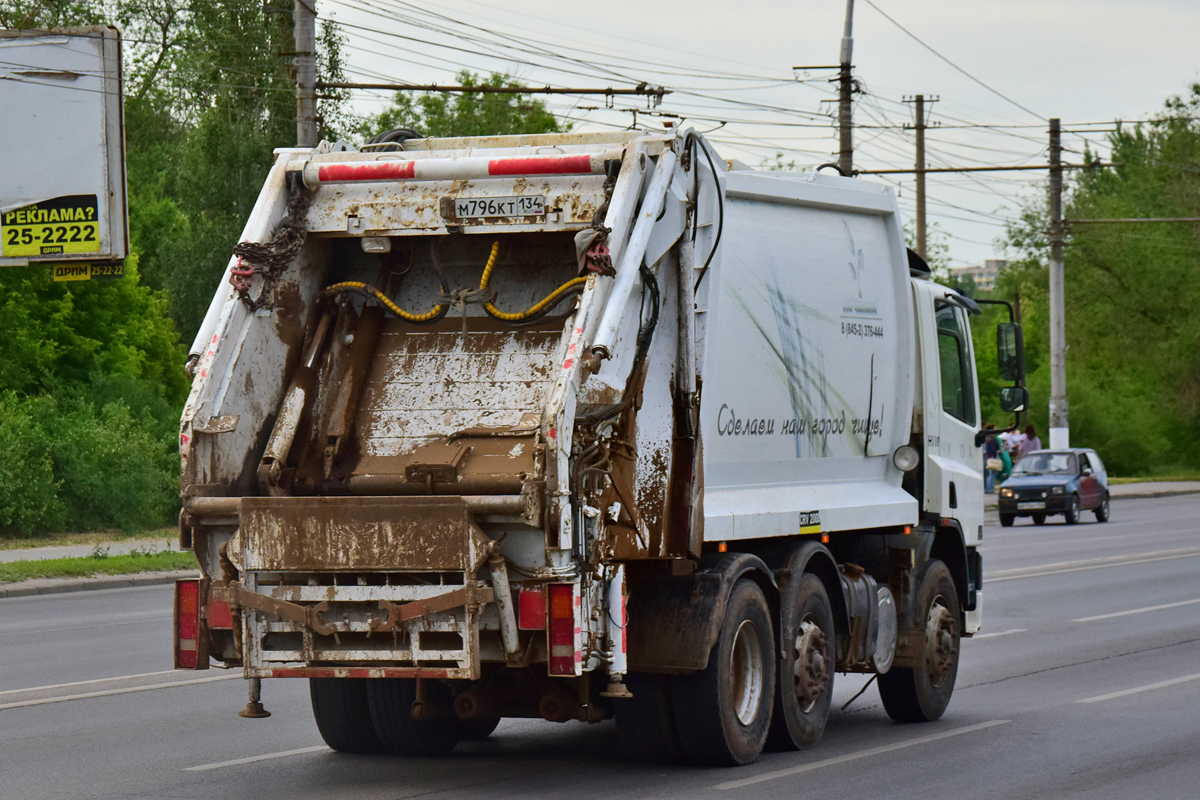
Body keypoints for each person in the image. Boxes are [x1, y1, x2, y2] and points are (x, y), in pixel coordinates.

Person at [982, 424, 1000, 493]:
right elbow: (992, 449)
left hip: (988, 457)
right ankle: (989, 489)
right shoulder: (990, 439)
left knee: (988, 474)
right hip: (991, 457)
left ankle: (988, 488)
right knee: (991, 474)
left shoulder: (987, 438)